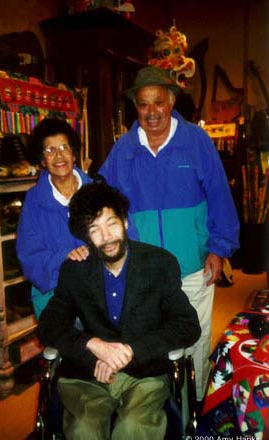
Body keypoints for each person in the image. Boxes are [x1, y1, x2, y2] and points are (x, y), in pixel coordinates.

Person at [99, 66, 240, 401]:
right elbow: (101, 199)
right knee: (150, 342)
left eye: (158, 102)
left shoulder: (197, 141)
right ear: (136, 106)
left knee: (195, 339)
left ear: (172, 100)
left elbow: (220, 196)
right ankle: (158, 411)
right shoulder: (124, 149)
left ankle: (194, 410)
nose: (152, 112)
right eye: (144, 104)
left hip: (193, 266)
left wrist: (219, 249)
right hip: (143, 271)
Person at [37, 181, 201, 440]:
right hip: (88, 375)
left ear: (125, 221)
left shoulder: (160, 264)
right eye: (95, 229)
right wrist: (94, 347)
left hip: (144, 374)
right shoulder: (75, 270)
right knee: (83, 431)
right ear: (86, 236)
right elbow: (49, 324)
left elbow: (187, 325)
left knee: (133, 429)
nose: (107, 236)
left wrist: (129, 351)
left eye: (111, 223)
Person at [16, 118, 92, 318]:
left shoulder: (97, 191)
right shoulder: (34, 201)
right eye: (50, 150)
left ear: (73, 153)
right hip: (54, 297)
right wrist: (65, 257)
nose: (58, 156)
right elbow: (29, 256)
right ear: (42, 160)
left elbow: (124, 237)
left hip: (98, 294)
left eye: (64, 147)